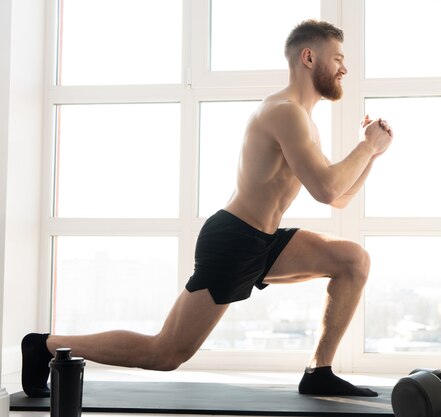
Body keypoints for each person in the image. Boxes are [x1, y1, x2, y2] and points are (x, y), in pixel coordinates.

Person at [21, 19, 393, 398]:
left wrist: (373, 154)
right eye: (338, 59)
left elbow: (340, 194)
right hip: (234, 239)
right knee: (165, 352)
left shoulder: (304, 121)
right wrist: (365, 146)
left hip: (263, 241)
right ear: (309, 57)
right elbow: (327, 190)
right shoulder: (284, 112)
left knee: (352, 260)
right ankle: (45, 346)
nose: (344, 69)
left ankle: (319, 371)